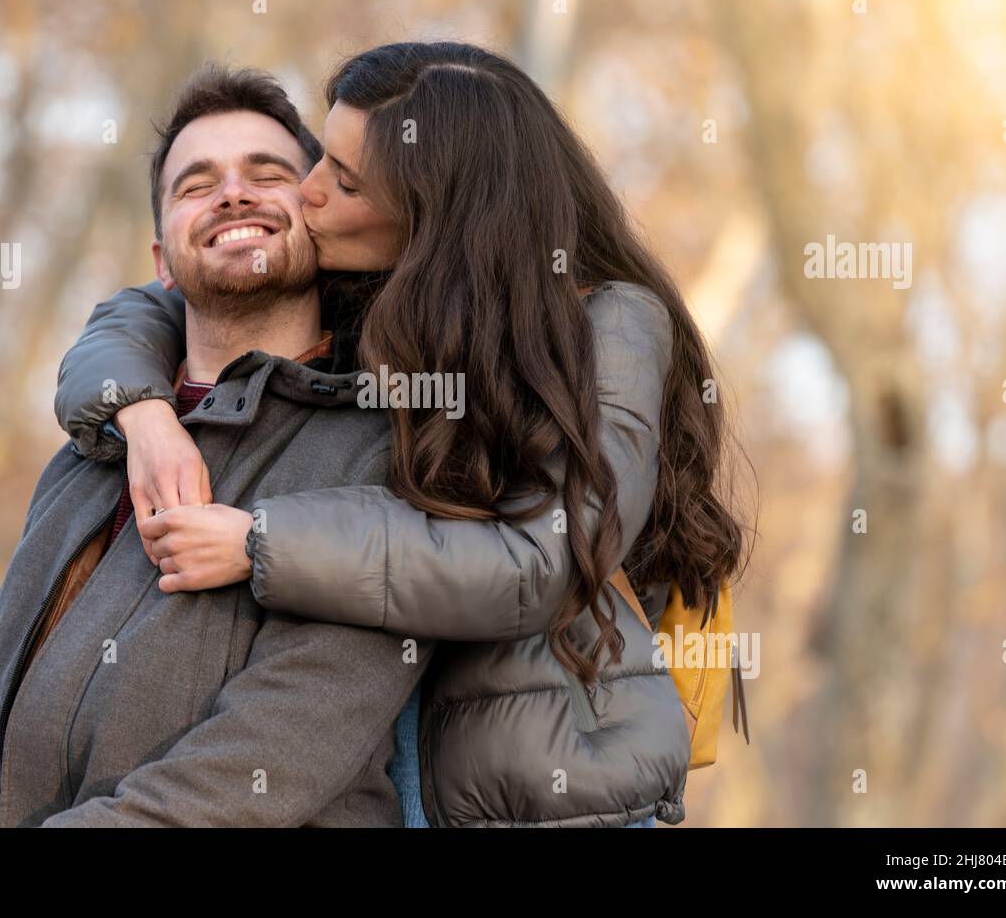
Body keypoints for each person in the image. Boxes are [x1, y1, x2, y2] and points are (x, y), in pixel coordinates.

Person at [55, 42, 746, 827]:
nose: (309, 193)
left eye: (344, 181)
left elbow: (537, 560)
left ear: (435, 212)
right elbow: (141, 308)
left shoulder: (610, 323)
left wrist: (258, 542)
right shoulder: (382, 290)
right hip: (394, 765)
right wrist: (143, 416)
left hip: (546, 793)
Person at [0, 63, 435, 828]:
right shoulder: (87, 459)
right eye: (196, 185)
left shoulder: (385, 451)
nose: (233, 193)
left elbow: (248, 773)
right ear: (161, 260)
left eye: (268, 174)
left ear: (321, 221)